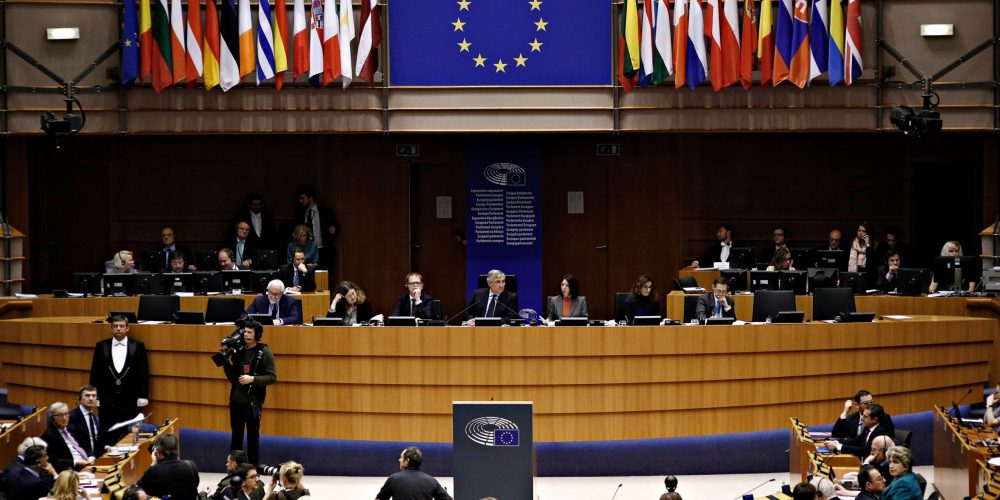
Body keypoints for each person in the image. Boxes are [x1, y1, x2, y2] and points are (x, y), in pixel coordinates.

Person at [221, 321, 277, 466]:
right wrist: (226, 363)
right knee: (236, 438)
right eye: (245, 332)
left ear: (257, 335)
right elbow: (234, 378)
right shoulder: (239, 351)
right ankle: (234, 468)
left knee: (253, 439)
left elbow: (272, 378)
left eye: (250, 332)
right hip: (236, 402)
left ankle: (253, 471)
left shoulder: (264, 352)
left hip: (252, 403)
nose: (246, 335)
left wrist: (253, 379)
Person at [88, 315, 149, 442]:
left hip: (132, 400)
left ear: (127, 328)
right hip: (107, 400)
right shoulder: (101, 346)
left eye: (121, 326)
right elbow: (95, 372)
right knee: (106, 433)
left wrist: (143, 395)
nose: (118, 329)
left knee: (132, 435)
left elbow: (143, 372)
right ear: (111, 329)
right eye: (115, 326)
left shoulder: (138, 346)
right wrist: (95, 395)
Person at [136, 433, 200, 500]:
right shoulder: (190, 465)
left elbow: (137, 490)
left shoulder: (154, 472)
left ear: (157, 452)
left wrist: (153, 463)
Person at [375, 446, 452, 500]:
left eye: (401, 457)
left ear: (407, 460)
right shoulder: (431, 481)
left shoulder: (393, 479)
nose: (399, 460)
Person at [824, 403, 893, 460]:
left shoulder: (880, 432)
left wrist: (839, 446)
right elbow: (856, 441)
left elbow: (865, 451)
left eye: (865, 416)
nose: (862, 418)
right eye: (863, 415)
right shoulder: (868, 427)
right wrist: (836, 442)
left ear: (875, 419)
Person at [41, 402, 94, 472]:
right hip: (72, 470)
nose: (64, 418)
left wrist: (91, 456)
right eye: (60, 415)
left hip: (88, 464)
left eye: (66, 414)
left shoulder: (72, 427)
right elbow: (53, 460)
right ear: (52, 418)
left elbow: (85, 445)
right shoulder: (48, 435)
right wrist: (75, 462)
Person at [296, 188, 341, 270]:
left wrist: (334, 229)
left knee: (324, 275)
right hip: (306, 251)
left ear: (311, 198)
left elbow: (336, 226)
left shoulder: (324, 211)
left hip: (323, 250)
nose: (300, 201)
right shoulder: (300, 214)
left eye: (303, 198)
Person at [68, 384, 107, 458]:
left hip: (93, 458)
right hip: (81, 459)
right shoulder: (71, 417)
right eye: (87, 395)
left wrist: (106, 447)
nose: (91, 398)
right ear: (80, 398)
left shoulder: (94, 418)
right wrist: (89, 456)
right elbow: (75, 443)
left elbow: (95, 440)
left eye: (94, 396)